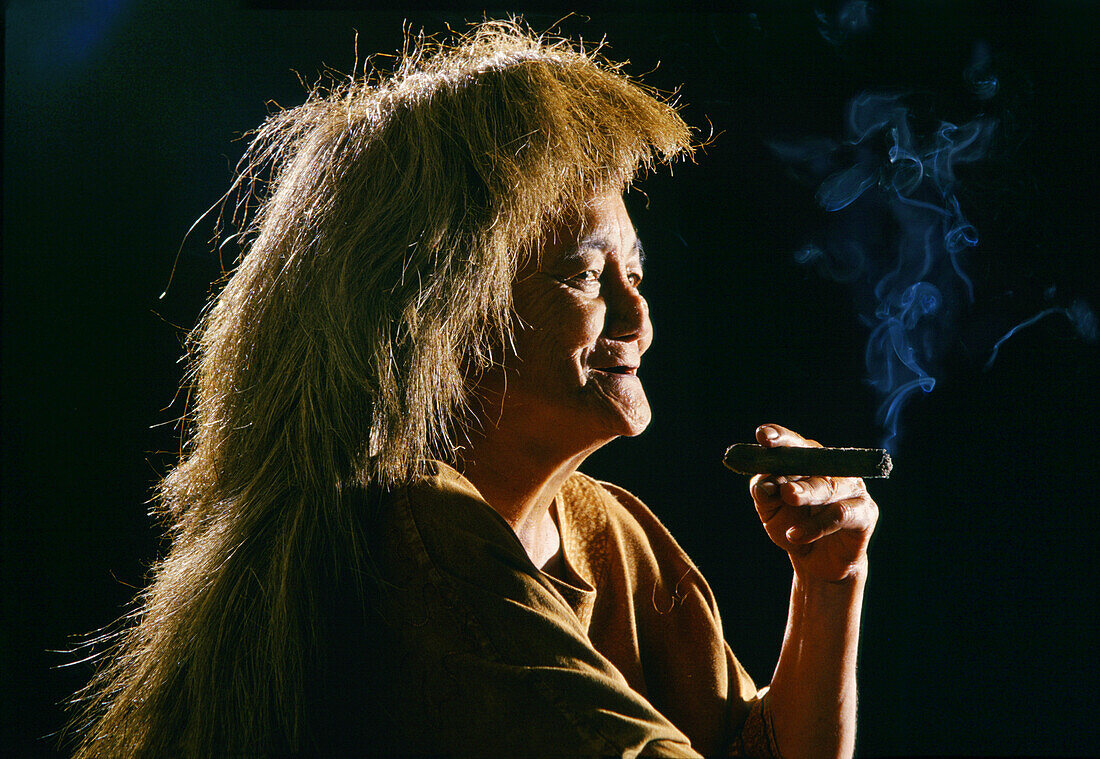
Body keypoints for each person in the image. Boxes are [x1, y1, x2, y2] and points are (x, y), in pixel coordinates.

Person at [70, 20, 878, 758]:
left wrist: (830, 582)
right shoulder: (407, 533)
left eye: (638, 274)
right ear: (439, 313)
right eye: (587, 275)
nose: (638, 317)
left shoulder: (610, 532)